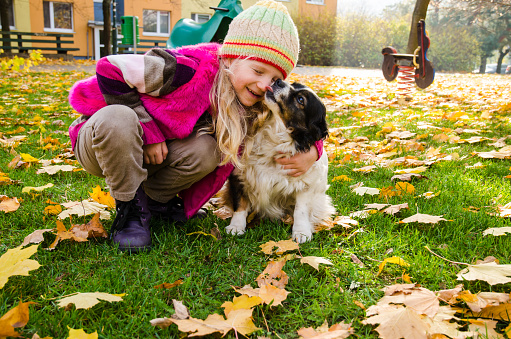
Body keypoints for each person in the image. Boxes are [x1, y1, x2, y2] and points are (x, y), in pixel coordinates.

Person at [67, 0, 324, 252]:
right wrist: (150, 132)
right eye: (257, 71)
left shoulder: (252, 98)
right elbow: (109, 68)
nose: (264, 85)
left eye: (275, 78)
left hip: (155, 156)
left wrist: (314, 151)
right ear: (230, 58)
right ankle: (130, 212)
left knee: (211, 149)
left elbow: (304, 116)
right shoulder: (183, 68)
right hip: (104, 141)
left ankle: (155, 204)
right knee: (119, 117)